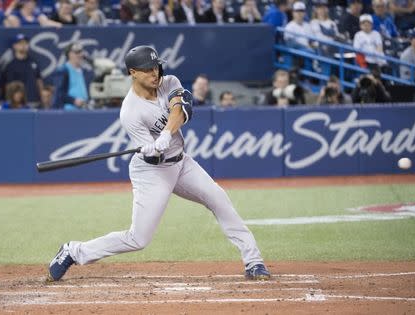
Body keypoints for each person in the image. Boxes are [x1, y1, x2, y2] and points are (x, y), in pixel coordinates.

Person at [47, 45, 271, 282]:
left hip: (182, 163)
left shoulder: (168, 81)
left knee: (219, 199)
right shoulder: (130, 111)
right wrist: (149, 150)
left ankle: (253, 261)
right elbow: (153, 157)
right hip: (152, 171)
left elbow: (181, 108)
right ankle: (73, 251)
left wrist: (165, 135)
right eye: (147, 70)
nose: (155, 73)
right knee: (138, 239)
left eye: (156, 67)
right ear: (133, 72)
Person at [2, 33, 43, 106]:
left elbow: (39, 81)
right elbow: (9, 87)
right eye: (20, 43)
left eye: (25, 43)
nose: (23, 45)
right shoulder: (11, 65)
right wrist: (11, 103)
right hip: (20, 103)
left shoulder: (33, 62)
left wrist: (42, 97)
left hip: (35, 101)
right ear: (14, 46)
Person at [52, 42, 89, 110]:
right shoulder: (62, 71)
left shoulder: (84, 72)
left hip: (83, 110)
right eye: (77, 52)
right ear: (69, 54)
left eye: (81, 52)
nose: (80, 55)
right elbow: (59, 93)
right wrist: (73, 101)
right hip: (68, 111)